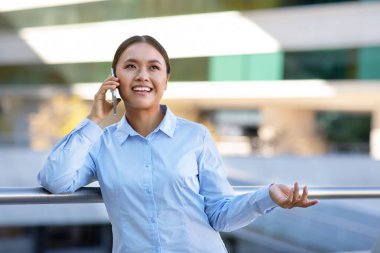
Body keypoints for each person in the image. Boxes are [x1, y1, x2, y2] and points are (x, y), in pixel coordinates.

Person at [38, 35, 319, 253]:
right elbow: (55, 180)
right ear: (115, 78)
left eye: (154, 67)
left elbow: (220, 215)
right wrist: (93, 118)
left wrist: (267, 196)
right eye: (131, 66)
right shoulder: (102, 144)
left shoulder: (195, 136)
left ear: (166, 79)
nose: (142, 76)